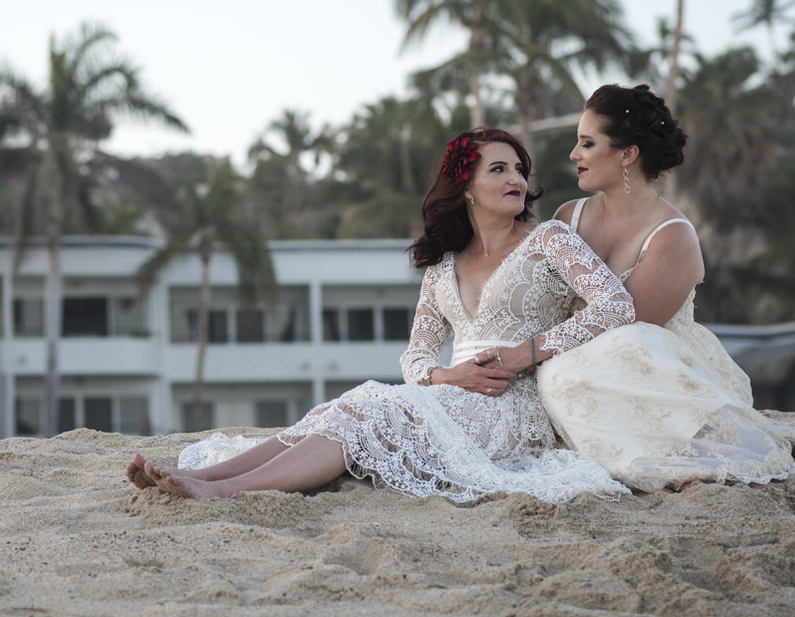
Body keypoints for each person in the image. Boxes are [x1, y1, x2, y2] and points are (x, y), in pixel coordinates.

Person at [125, 127, 638, 503]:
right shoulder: (442, 266)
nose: (516, 179)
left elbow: (616, 305)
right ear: (465, 186)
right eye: (498, 169)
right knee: (339, 410)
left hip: (513, 405)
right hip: (447, 394)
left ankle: (226, 490)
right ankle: (211, 477)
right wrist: (445, 374)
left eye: (520, 169)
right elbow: (415, 354)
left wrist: (525, 353)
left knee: (367, 410)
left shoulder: (550, 240)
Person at [533, 83, 795, 492]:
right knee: (559, 375)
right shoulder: (568, 217)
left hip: (647, 364)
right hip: (568, 356)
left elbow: (625, 330)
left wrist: (538, 353)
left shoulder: (672, 235)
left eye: (587, 143)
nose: (574, 155)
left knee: (616, 349)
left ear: (627, 154)